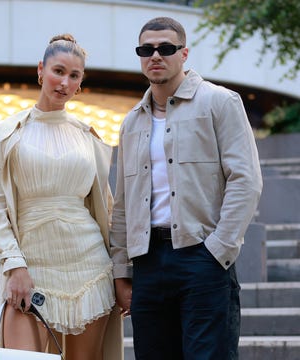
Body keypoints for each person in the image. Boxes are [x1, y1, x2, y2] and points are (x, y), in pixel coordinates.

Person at [110, 17, 263, 360]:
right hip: (147, 262)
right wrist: (122, 270)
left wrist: (218, 250)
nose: (155, 56)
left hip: (202, 256)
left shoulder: (220, 103)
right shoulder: (132, 121)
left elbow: (246, 179)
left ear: (184, 53)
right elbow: (122, 203)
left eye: (166, 48)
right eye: (146, 49)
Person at [0, 33, 122, 360]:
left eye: (74, 76)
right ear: (41, 70)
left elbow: (107, 208)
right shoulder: (5, 134)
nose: (64, 82)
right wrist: (14, 266)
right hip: (29, 267)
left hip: (90, 268)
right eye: (58, 71)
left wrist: (123, 271)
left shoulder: (89, 137)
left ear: (80, 83)